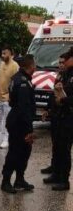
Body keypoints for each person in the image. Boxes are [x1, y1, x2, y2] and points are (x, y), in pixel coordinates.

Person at [1, 55, 37, 194]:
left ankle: (20, 179)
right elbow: (23, 108)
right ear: (31, 66)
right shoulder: (22, 82)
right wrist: (29, 130)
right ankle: (6, 181)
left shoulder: (20, 78)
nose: (35, 67)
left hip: (18, 119)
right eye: (34, 65)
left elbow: (12, 101)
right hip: (19, 122)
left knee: (24, 152)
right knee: (15, 152)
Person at [47, 49, 73, 190]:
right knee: (57, 147)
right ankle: (56, 174)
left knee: (64, 149)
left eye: (67, 59)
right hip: (59, 116)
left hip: (69, 117)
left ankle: (64, 180)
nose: (65, 62)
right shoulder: (65, 74)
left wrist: (63, 99)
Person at [42, 56, 67, 181]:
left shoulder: (68, 77)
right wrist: (47, 109)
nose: (61, 65)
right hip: (55, 115)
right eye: (60, 62)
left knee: (61, 146)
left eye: (63, 62)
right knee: (55, 144)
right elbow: (53, 95)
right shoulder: (59, 76)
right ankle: (54, 167)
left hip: (64, 115)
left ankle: (59, 173)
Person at [0, 47, 20, 149]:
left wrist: (12, 97)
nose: (2, 55)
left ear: (10, 53)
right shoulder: (1, 64)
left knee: (7, 120)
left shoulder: (15, 66)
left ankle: (6, 139)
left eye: (5, 53)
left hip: (8, 98)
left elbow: (16, 83)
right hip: (0, 97)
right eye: (2, 53)